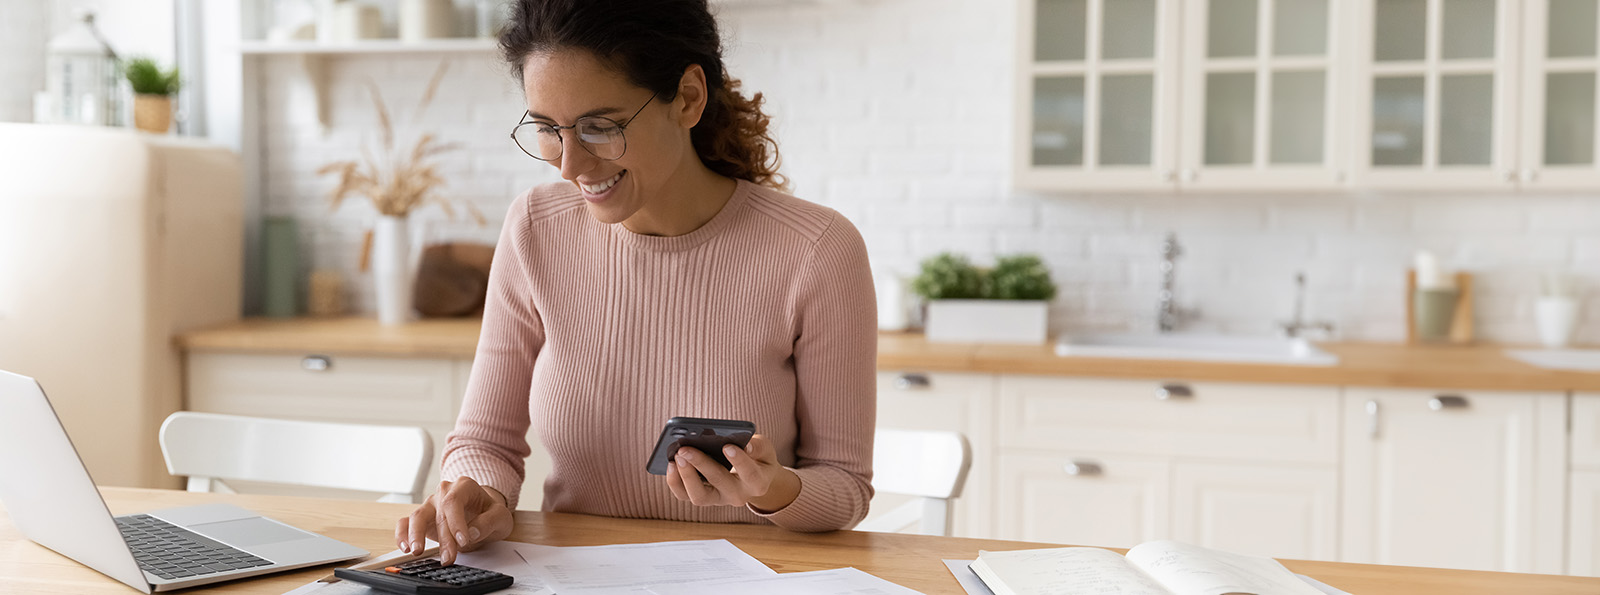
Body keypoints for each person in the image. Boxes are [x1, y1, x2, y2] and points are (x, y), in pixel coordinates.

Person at [394, 0, 878, 564]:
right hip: (571, 576)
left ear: (689, 98)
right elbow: (485, 441)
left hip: (746, 578)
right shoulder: (535, 229)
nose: (569, 164)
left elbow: (845, 488)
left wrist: (770, 490)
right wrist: (479, 491)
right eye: (549, 129)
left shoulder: (817, 249)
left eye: (601, 126)